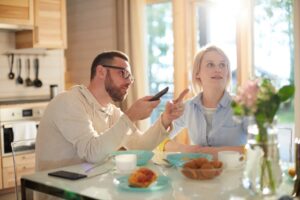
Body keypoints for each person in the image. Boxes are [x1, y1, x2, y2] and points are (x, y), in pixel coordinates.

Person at [36, 50, 189, 171]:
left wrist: (165, 119)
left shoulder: (112, 112)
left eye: (131, 77)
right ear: (101, 72)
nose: (129, 81)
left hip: (91, 188)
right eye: (124, 73)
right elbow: (92, 153)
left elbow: (139, 147)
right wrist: (131, 116)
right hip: (58, 193)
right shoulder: (68, 102)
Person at [160, 44, 247, 158]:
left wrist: (205, 152)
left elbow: (258, 148)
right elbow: (158, 141)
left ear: (227, 73)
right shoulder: (187, 108)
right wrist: (185, 149)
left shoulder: (243, 106)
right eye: (210, 65)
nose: (217, 69)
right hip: (199, 173)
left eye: (222, 65)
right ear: (197, 73)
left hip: (235, 173)